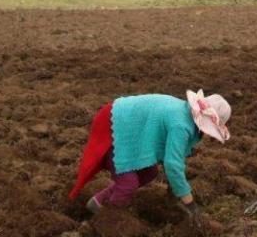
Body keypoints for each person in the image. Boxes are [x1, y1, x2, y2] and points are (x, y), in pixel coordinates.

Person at [69, 90, 231, 229]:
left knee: (148, 172)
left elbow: (172, 157)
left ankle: (98, 202)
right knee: (128, 184)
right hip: (115, 122)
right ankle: (104, 220)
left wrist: (174, 190)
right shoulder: (181, 125)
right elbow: (173, 165)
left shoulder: (185, 115)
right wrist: (189, 203)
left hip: (130, 126)